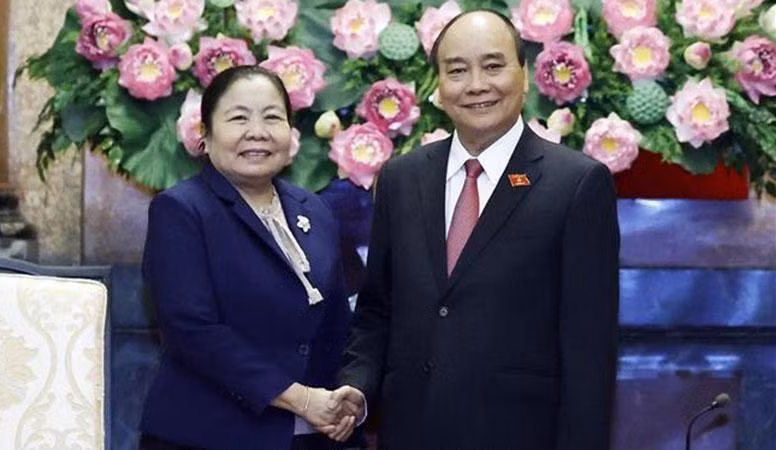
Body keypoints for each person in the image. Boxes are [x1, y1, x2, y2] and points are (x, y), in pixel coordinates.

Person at [333, 9, 620, 449]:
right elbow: (378, 311)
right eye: (457, 70)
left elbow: (589, 351)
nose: (476, 85)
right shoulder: (400, 179)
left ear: (523, 75)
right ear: (439, 87)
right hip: (412, 432)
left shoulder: (576, 184)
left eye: (493, 66)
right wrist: (357, 383)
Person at [139, 65, 357, 449]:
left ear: (291, 135)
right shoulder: (181, 210)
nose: (257, 131)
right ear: (204, 134)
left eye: (272, 117)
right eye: (238, 118)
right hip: (208, 436)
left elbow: (340, 324)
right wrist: (302, 399)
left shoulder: (316, 210)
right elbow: (194, 332)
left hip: (311, 436)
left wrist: (349, 395)